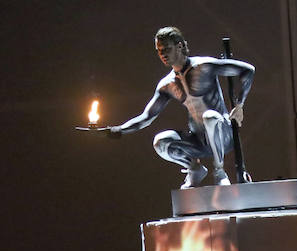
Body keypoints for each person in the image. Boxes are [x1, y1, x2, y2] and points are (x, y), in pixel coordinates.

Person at [104, 26, 255, 189]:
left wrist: (240, 105)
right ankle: (194, 169)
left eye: (166, 49)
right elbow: (147, 117)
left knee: (209, 117)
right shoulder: (167, 84)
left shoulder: (203, 66)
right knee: (160, 141)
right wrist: (119, 130)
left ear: (180, 46)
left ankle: (219, 172)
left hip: (222, 134)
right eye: (159, 50)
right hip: (199, 140)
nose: (162, 54)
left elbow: (248, 70)